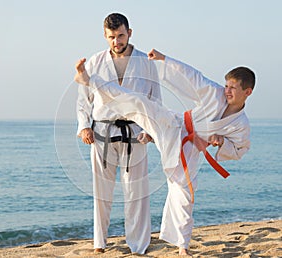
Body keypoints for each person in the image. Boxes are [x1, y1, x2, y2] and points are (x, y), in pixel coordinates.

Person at [74, 49, 255, 256]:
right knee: (140, 102)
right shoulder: (215, 93)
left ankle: (182, 246)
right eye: (226, 85)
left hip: (190, 148)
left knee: (184, 193)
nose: (227, 91)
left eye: (233, 88)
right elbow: (192, 76)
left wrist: (222, 142)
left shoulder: (241, 124)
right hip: (175, 125)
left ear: (247, 92)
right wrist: (164, 60)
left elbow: (240, 149)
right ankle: (89, 80)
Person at [75, 13, 161, 254]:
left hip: (135, 132)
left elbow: (156, 100)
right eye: (112, 37)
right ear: (105, 36)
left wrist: (150, 130)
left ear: (130, 33)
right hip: (102, 131)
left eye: (121, 35)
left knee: (136, 192)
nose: (116, 41)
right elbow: (83, 100)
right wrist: (84, 126)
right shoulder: (94, 62)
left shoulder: (146, 62)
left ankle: (138, 245)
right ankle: (99, 243)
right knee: (101, 192)